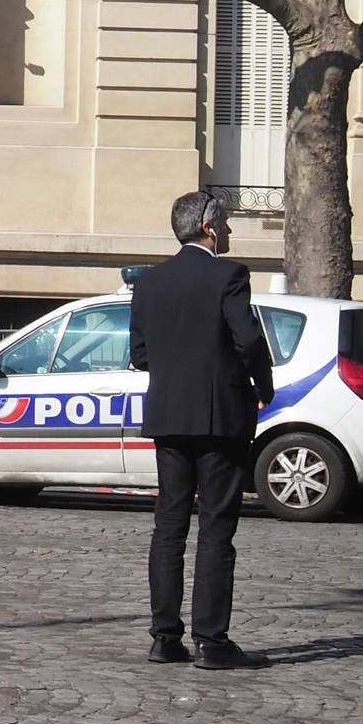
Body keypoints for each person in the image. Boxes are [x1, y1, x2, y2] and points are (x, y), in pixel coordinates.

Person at [129, 189, 275, 671]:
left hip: (169, 416)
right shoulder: (227, 274)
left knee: (168, 527)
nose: (231, 230)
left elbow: (140, 354)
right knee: (215, 528)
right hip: (219, 417)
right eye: (228, 222)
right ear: (210, 227)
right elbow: (249, 337)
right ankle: (212, 640)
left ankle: (164, 637)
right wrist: (262, 383)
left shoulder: (150, 282)